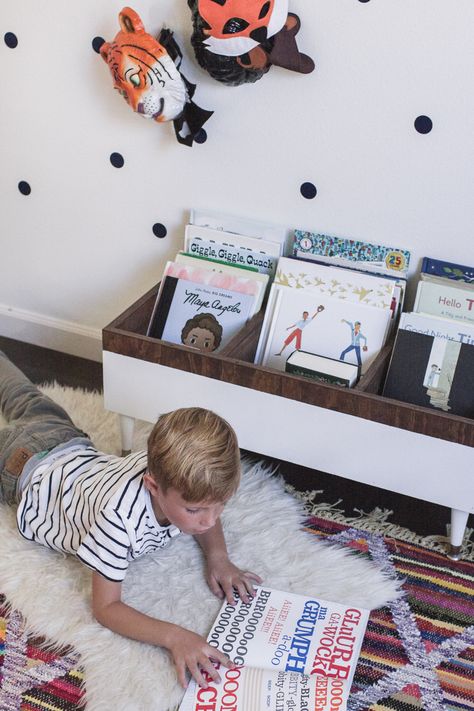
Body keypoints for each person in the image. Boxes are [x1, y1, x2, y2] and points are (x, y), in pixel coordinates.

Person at [0, 351, 261, 690]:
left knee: (22, 395)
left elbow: (206, 514)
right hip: (20, 468)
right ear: (153, 485)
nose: (208, 521)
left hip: (65, 440)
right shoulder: (117, 521)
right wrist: (174, 636)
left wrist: (218, 556)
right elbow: (107, 608)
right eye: (196, 510)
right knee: (20, 398)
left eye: (220, 505)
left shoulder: (166, 469)